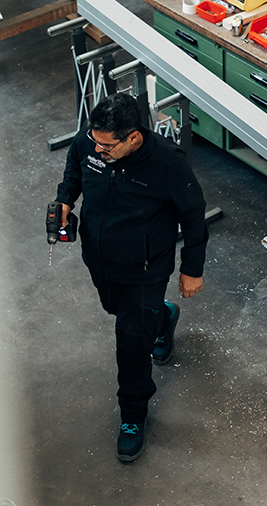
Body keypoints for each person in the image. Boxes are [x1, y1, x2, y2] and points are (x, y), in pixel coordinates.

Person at [55, 92, 208, 462]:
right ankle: (163, 316)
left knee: (130, 342)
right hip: (100, 258)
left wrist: (192, 269)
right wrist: (64, 200)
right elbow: (75, 166)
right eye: (95, 142)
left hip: (145, 268)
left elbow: (193, 215)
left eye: (107, 146)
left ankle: (133, 415)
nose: (98, 150)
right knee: (118, 312)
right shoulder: (92, 142)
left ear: (134, 138)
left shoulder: (168, 166)